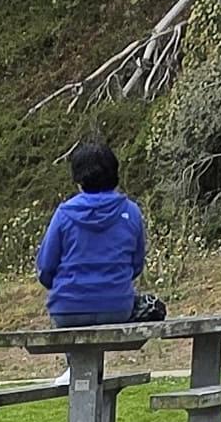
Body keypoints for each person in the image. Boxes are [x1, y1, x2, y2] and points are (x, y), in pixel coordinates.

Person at [37, 140, 152, 327]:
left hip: (68, 309)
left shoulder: (64, 214)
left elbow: (45, 267)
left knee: (72, 339)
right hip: (117, 306)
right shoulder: (131, 211)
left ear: (79, 179)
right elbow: (136, 265)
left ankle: (74, 358)